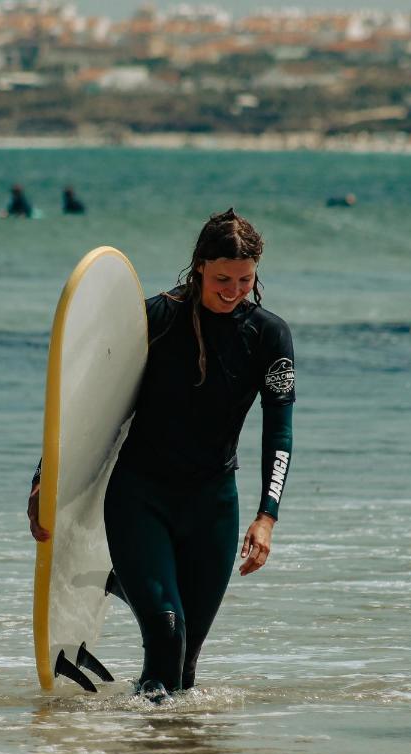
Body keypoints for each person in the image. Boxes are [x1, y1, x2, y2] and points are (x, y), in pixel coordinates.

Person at [28, 209, 295, 700]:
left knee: (184, 664)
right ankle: (147, 753)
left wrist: (267, 517)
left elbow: (279, 428)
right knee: (168, 634)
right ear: (198, 267)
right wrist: (46, 476)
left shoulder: (268, 336)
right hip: (141, 497)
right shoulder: (155, 318)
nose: (233, 289)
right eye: (222, 278)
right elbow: (88, 401)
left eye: (245, 279)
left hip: (212, 506)